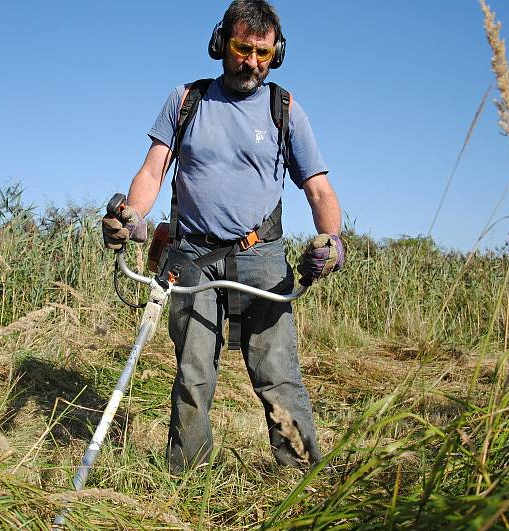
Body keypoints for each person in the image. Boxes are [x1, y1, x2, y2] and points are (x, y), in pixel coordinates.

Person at [101, 0, 344, 474]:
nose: (251, 61)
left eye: (263, 53)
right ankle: (187, 479)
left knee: (278, 374)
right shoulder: (186, 99)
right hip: (191, 257)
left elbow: (319, 188)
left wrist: (331, 240)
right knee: (193, 374)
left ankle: (299, 476)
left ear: (276, 55)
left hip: (261, 259)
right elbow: (153, 171)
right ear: (220, 44)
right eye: (242, 48)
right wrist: (132, 215)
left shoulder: (284, 108)